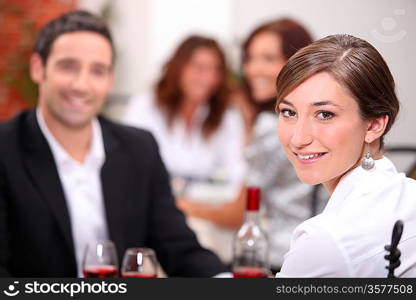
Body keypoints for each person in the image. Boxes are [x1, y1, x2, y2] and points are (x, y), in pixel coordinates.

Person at [0, 10, 228, 277]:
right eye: (68, 66)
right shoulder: (6, 149)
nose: (82, 85)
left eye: (97, 71)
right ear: (38, 68)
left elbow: (179, 246)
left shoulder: (139, 148)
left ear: (110, 79)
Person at [176, 19, 324, 272]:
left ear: (297, 62)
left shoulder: (272, 126)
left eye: (268, 58)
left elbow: (240, 213)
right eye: (250, 58)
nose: (254, 69)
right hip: (317, 247)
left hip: (280, 256)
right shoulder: (318, 116)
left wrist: (182, 205)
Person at [275, 34, 416, 277]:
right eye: (289, 112)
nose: (298, 138)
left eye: (325, 114)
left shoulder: (325, 240)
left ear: (374, 125)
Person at [122, 36, 246, 187]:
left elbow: (238, 173)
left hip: (205, 206)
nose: (209, 78)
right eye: (200, 68)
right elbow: (129, 165)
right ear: (179, 68)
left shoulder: (226, 118)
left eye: (216, 70)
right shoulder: (145, 106)